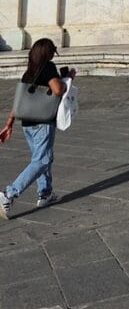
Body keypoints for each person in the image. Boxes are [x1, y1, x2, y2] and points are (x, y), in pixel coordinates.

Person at [0, 38, 76, 217]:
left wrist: (8, 123)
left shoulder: (29, 72)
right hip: (42, 122)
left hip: (27, 122)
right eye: (53, 50)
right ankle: (8, 194)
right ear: (47, 53)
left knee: (41, 158)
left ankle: (46, 193)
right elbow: (57, 90)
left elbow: (20, 101)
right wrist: (68, 80)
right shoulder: (48, 67)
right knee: (42, 160)